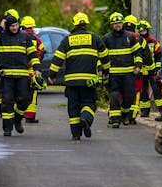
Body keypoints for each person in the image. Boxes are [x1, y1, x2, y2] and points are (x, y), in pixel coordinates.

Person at [47, 13, 107, 141]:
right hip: (88, 81)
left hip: (72, 82)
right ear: (86, 25)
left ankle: (75, 134)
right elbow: (105, 57)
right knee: (89, 103)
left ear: (74, 25)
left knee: (73, 107)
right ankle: (85, 118)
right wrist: (106, 72)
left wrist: (52, 75)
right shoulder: (95, 38)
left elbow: (58, 58)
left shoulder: (67, 40)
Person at [0, 11, 40, 136]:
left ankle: (17, 120)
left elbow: (33, 55)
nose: (15, 28)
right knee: (7, 102)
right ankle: (7, 129)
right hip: (6, 77)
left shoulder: (25, 37)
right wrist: (0, 27)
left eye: (16, 25)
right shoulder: (0, 37)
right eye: (12, 26)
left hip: (22, 76)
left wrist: (37, 69)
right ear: (7, 26)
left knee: (25, 100)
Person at [100, 12, 142, 128]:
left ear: (122, 23)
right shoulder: (106, 38)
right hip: (113, 74)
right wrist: (101, 70)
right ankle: (115, 120)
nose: (117, 25)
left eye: (119, 23)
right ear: (112, 25)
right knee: (114, 96)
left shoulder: (130, 37)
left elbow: (138, 53)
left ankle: (124, 115)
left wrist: (138, 65)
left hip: (128, 73)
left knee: (129, 96)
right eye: (115, 23)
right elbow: (101, 56)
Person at [122, 14, 147, 124]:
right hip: (136, 70)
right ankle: (131, 116)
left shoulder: (118, 36)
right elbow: (146, 55)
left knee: (119, 92)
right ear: (135, 26)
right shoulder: (140, 38)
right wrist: (151, 71)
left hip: (120, 70)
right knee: (136, 92)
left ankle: (115, 115)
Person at [21, 15, 46, 123]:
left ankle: (19, 113)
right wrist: (37, 62)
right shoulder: (37, 39)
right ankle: (30, 116)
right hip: (33, 70)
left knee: (21, 92)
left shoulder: (19, 37)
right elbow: (43, 50)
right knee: (33, 93)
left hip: (21, 70)